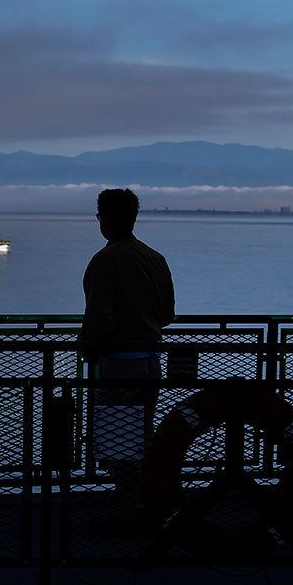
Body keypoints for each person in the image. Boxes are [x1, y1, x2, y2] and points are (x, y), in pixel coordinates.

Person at [79, 188, 176, 516]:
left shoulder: (104, 261)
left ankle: (131, 504)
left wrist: (88, 348)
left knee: (117, 439)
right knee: (141, 435)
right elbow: (167, 314)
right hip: (151, 364)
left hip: (118, 367)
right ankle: (145, 499)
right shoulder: (156, 259)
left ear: (103, 220)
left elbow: (98, 318)